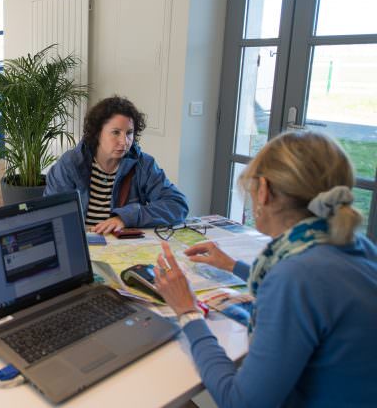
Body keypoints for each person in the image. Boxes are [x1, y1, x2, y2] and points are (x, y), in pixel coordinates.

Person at [154, 130, 377, 408]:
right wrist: (232, 265)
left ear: (264, 191)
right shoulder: (356, 244)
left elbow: (240, 402)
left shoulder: (295, 278)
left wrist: (187, 312)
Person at [45, 96, 188, 231]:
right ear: (97, 133)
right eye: (116, 132)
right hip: (83, 246)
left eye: (129, 133)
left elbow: (177, 205)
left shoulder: (144, 165)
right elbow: (51, 214)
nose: (124, 141)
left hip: (124, 248)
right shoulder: (70, 164)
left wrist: (126, 218)